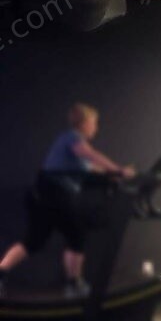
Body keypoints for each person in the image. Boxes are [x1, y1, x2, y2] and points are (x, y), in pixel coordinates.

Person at [0, 103, 135, 297]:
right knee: (76, 234)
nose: (96, 127)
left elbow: (93, 169)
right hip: (52, 193)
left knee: (34, 241)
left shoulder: (74, 152)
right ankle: (74, 285)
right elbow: (90, 155)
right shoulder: (73, 138)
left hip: (42, 195)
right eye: (94, 123)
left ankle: (1, 273)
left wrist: (115, 175)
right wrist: (119, 170)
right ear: (84, 123)